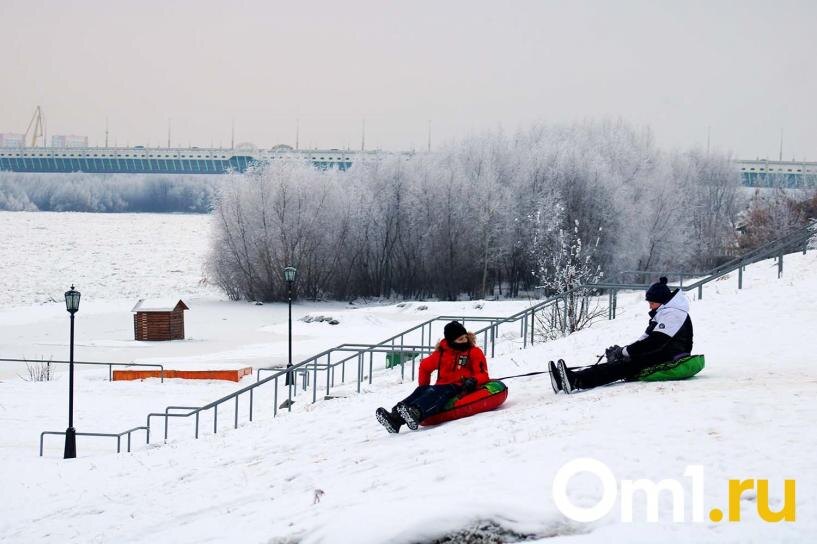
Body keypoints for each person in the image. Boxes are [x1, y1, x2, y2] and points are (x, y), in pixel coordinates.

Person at [552, 277, 693, 394]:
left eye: (652, 303)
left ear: (661, 300)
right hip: (663, 352)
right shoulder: (664, 312)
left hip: (671, 355)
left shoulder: (673, 314)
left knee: (623, 366)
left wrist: (626, 352)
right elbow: (645, 338)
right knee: (622, 362)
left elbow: (655, 341)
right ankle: (563, 380)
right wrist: (624, 351)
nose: (650, 306)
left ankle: (575, 381)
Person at [376, 320, 490, 433]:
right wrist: (424, 388)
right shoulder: (442, 353)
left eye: (465, 338)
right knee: (421, 390)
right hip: (441, 386)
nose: (464, 341)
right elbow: (425, 367)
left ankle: (417, 412)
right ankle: (395, 418)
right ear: (451, 341)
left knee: (438, 391)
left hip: (460, 386)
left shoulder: (473, 352)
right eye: (460, 339)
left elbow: (483, 374)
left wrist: (474, 380)